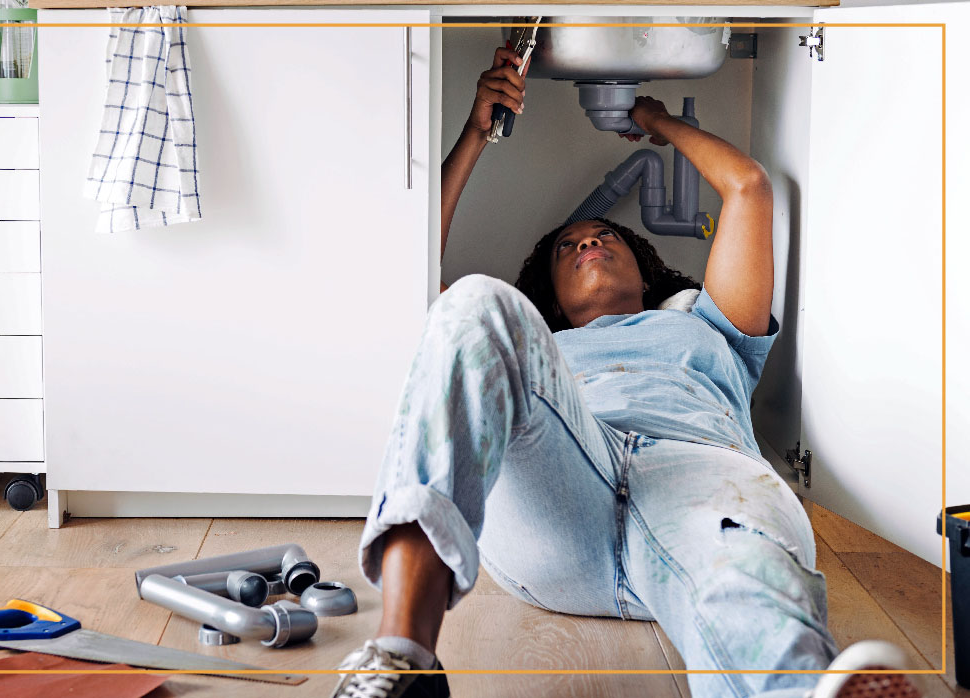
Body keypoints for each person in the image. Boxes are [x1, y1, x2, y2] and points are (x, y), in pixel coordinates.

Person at [327, 46, 922, 698]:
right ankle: (400, 661)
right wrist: (476, 131)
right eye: (567, 245)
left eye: (605, 236)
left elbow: (745, 187)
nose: (587, 241)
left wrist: (656, 118)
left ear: (647, 270)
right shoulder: (537, 347)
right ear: (548, 295)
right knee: (470, 301)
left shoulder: (708, 325)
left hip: (703, 490)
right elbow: (410, 263)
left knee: (746, 581)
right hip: (558, 500)